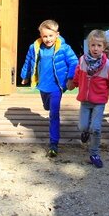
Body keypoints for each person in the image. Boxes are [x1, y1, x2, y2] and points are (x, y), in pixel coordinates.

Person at [66, 29, 109, 168]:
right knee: (83, 126)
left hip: (99, 102)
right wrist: (73, 84)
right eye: (93, 45)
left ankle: (94, 153)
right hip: (85, 102)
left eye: (99, 46)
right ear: (88, 46)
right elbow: (77, 75)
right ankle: (85, 132)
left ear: (104, 47)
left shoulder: (108, 66)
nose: (95, 48)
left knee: (96, 128)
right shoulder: (82, 61)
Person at [20, 19, 79, 158]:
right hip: (43, 85)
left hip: (57, 86)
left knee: (54, 114)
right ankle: (48, 108)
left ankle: (54, 144)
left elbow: (74, 62)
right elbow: (29, 61)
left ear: (57, 34)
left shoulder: (64, 48)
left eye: (50, 36)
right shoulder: (35, 47)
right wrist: (25, 75)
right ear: (40, 35)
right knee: (47, 107)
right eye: (45, 36)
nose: (48, 39)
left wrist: (70, 78)